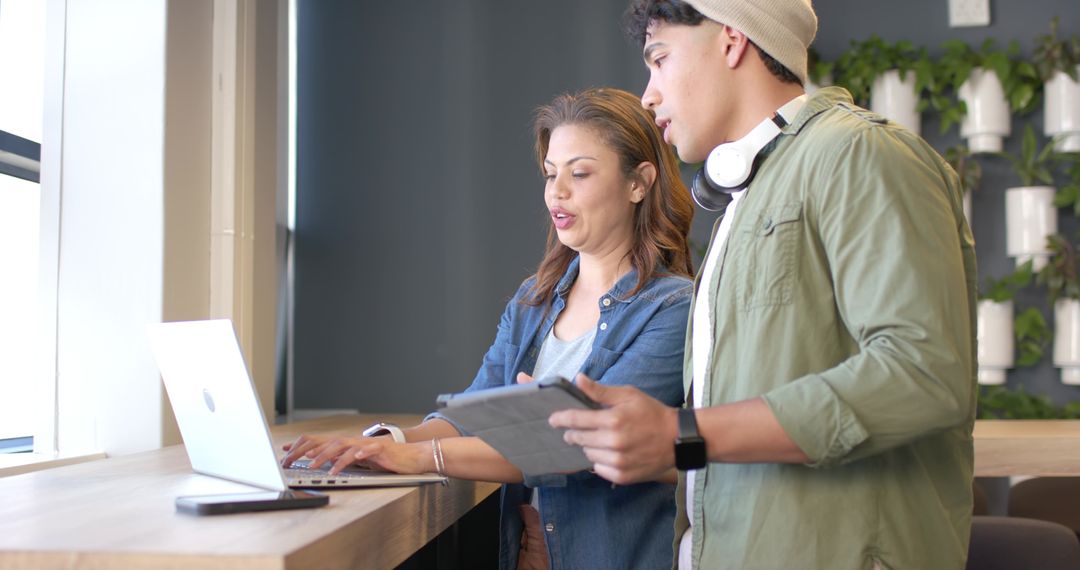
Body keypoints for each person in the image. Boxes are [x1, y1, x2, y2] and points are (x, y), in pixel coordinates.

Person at [548, 2, 978, 569]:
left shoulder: (860, 154)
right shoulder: (745, 200)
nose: (648, 95)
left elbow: (922, 373)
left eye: (660, 59)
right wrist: (649, 442)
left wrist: (685, 433)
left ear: (732, 41)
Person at [281, 87, 696, 570]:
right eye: (550, 174)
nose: (556, 192)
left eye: (579, 173)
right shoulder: (532, 301)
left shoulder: (671, 308)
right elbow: (472, 411)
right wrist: (385, 443)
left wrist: (421, 458)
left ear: (638, 183)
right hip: (528, 550)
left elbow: (576, 446)